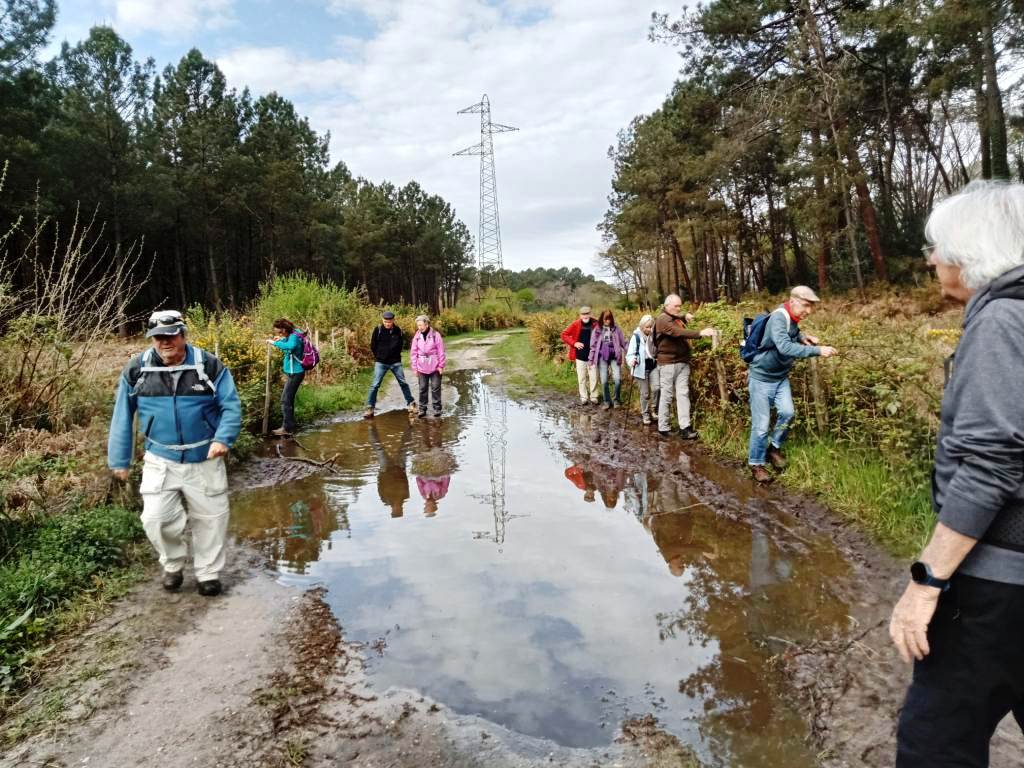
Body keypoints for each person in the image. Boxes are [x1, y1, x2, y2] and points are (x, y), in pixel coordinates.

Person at [889, 182, 1024, 767]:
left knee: (936, 743)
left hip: (999, 582)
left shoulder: (1001, 323)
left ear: (970, 255)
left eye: (937, 249)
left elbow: (992, 463)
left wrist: (928, 581)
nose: (931, 261)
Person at [108, 310, 242, 597]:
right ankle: (172, 563)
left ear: (182, 334)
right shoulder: (137, 370)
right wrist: (120, 459)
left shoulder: (208, 365)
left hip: (204, 456)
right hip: (160, 458)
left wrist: (223, 438)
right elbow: (122, 415)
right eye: (158, 337)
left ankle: (208, 573)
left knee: (210, 518)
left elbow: (230, 405)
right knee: (155, 519)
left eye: (170, 336)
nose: (164, 342)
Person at [746, 286, 837, 483]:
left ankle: (774, 449)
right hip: (761, 378)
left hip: (780, 377)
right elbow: (784, 346)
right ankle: (756, 464)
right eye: (806, 305)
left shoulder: (791, 317)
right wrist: (818, 350)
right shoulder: (779, 317)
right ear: (793, 301)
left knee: (788, 413)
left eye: (811, 307)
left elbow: (792, 334)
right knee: (761, 426)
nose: (809, 311)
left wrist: (804, 338)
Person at [654, 294, 716, 440]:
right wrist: (700, 333)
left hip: (682, 363)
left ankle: (685, 428)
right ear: (667, 305)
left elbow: (676, 318)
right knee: (667, 396)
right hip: (667, 364)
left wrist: (683, 315)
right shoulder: (662, 319)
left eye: (680, 306)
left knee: (683, 394)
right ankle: (663, 427)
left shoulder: (673, 316)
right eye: (676, 306)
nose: (679, 308)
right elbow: (677, 332)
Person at [364, 310, 417, 419]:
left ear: (393, 320)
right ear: (382, 320)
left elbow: (401, 344)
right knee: (375, 385)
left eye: (389, 322)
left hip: (395, 362)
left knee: (403, 383)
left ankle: (411, 404)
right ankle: (370, 407)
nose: (387, 323)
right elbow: (373, 345)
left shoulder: (398, 330)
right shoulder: (377, 330)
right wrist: (379, 356)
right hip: (381, 362)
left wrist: (395, 356)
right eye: (385, 321)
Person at [267, 318, 305, 437]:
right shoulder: (295, 332)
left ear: (284, 329)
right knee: (289, 400)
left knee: (285, 400)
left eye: (280, 332)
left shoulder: (293, 336)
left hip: (295, 372)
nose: (279, 334)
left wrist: (274, 343)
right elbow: (291, 342)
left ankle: (287, 428)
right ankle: (290, 425)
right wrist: (283, 339)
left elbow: (290, 346)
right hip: (295, 372)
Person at [369, 419, 411, 517]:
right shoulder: (406, 496)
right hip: (399, 467)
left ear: (392, 510)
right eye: (399, 510)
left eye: (396, 510)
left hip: (385, 469)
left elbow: (380, 486)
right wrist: (403, 470)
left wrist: (380, 473)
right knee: (405, 446)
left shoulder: (385, 499)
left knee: (378, 447)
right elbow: (406, 481)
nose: (398, 508)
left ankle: (371, 427)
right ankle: (410, 424)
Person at [560, 306, 599, 406]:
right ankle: (584, 397)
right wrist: (574, 343)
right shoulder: (575, 324)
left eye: (587, 314)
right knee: (581, 378)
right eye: (583, 314)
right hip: (580, 355)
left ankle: (594, 397)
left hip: (593, 355)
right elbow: (564, 335)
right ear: (580, 315)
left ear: (590, 314)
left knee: (594, 377)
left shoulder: (596, 323)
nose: (585, 316)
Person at [587, 309, 626, 410]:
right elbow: (593, 346)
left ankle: (616, 400)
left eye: (609, 319)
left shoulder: (616, 329)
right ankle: (606, 401)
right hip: (602, 357)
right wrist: (590, 360)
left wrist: (632, 353)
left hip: (614, 357)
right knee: (604, 381)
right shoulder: (597, 330)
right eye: (605, 319)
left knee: (617, 379)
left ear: (611, 319)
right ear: (602, 319)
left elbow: (624, 343)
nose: (607, 321)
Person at [626, 314, 659, 426]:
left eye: (651, 327)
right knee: (645, 394)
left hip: (653, 366)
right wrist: (632, 360)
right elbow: (629, 355)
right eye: (647, 327)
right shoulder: (636, 337)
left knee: (656, 388)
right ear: (641, 327)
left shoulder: (653, 337)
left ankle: (654, 409)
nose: (649, 329)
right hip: (641, 369)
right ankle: (645, 414)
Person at [410, 314, 446, 418]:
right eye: (418, 325)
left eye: (421, 325)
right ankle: (422, 409)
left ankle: (437, 409)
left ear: (426, 324)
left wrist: (441, 365)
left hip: (434, 366)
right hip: (421, 366)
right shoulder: (417, 336)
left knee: (435, 388)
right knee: (422, 388)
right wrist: (415, 368)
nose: (419, 327)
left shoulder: (436, 335)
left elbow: (441, 351)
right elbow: (413, 353)